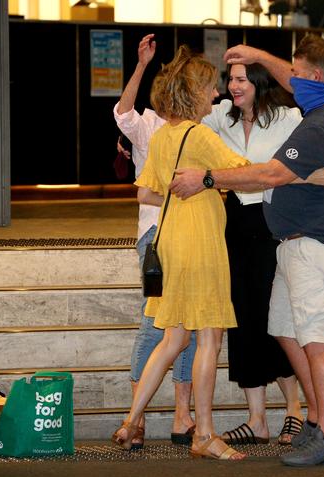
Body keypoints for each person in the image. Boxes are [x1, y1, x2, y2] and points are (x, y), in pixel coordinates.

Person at [170, 34, 324, 467]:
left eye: (297, 71)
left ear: (314, 78)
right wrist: (256, 56)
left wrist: (207, 178)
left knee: (316, 338)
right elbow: (295, 81)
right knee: (284, 329)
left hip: (319, 245)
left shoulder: (321, 125)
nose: (288, 78)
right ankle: (315, 421)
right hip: (293, 244)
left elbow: (270, 174)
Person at [201, 63, 305, 446]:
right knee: (242, 317)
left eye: (241, 79)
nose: (233, 86)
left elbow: (294, 169)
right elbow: (180, 115)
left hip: (271, 223)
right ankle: (257, 419)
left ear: (259, 82)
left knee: (273, 317)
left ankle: (294, 409)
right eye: (230, 79)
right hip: (232, 224)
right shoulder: (220, 118)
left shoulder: (287, 118)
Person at [112, 33, 196, 449]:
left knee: (189, 323)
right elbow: (122, 113)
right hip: (156, 234)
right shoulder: (148, 125)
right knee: (155, 319)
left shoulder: (201, 124)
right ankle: (137, 414)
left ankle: (183, 414)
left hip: (193, 233)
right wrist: (142, 64)